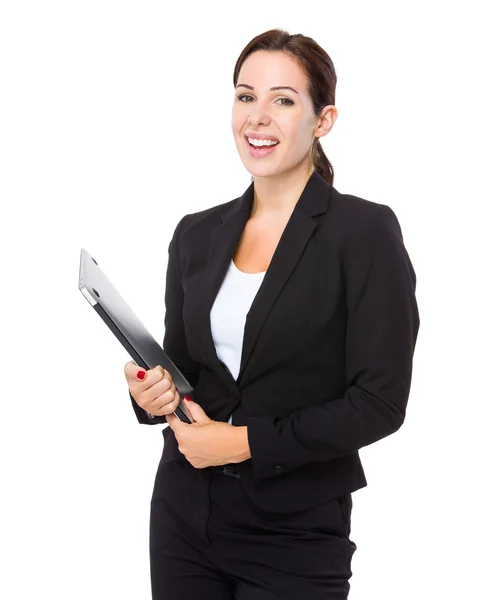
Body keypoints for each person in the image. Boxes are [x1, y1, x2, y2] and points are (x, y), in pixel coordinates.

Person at [125, 28, 420, 600]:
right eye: (245, 96)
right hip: (184, 518)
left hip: (295, 531)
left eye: (283, 100)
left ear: (323, 120)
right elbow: (184, 370)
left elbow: (380, 402)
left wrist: (245, 442)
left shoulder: (363, 233)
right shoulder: (196, 234)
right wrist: (149, 392)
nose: (257, 118)